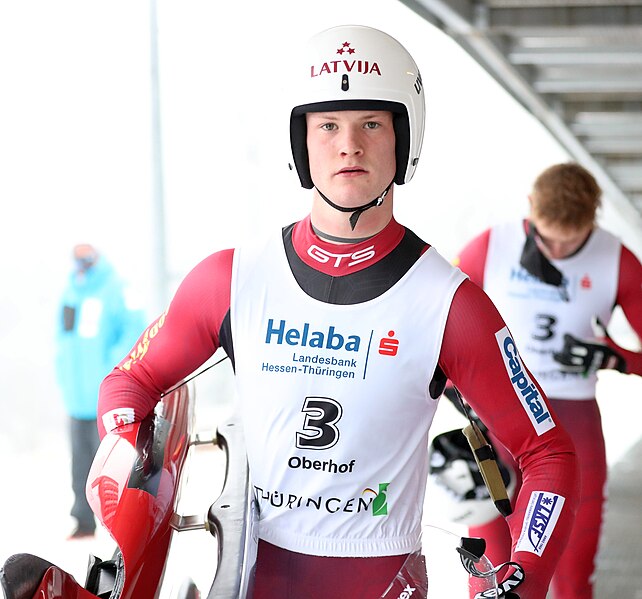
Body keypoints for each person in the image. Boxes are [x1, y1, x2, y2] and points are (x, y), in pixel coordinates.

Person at [97, 26, 579, 598]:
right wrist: (123, 449)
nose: (348, 144)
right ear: (301, 142)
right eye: (327, 125)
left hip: (382, 580)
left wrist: (524, 576)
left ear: (404, 138)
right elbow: (132, 379)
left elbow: (548, 453)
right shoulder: (230, 280)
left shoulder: (451, 304)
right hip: (255, 577)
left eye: (371, 124)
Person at [452, 162, 642, 598]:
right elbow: (435, 325)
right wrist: (453, 392)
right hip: (497, 421)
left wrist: (615, 356)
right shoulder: (492, 245)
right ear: (530, 207)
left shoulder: (617, 259)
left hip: (570, 418)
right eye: (546, 237)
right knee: (489, 575)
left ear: (592, 220)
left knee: (571, 578)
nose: (555, 250)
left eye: (569, 241)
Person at [55, 243, 146, 539]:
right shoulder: (71, 292)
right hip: (76, 396)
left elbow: (134, 330)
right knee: (80, 461)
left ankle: (122, 524)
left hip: (103, 396)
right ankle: (83, 519)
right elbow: (63, 339)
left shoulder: (116, 289)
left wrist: (111, 369)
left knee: (113, 463)